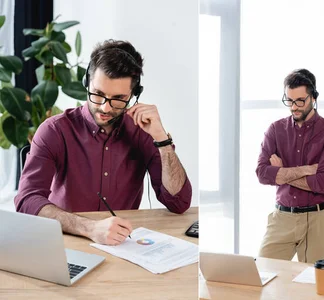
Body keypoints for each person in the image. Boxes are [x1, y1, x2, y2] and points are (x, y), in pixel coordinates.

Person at [14, 40, 192, 246]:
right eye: (98, 94)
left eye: (118, 98)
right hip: (65, 240)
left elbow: (179, 203)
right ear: (86, 83)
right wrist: (89, 228)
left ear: (134, 95)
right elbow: (27, 200)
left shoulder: (143, 133)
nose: (105, 108)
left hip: (123, 244)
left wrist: (162, 139)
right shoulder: (55, 130)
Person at [255, 69, 324, 263]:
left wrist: (281, 172)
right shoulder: (275, 130)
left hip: (318, 219)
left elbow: (323, 183)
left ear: (313, 97)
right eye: (289, 100)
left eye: (300, 101)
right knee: (262, 273)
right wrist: (306, 170)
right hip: (282, 217)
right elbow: (262, 174)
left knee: (312, 286)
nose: (294, 107)